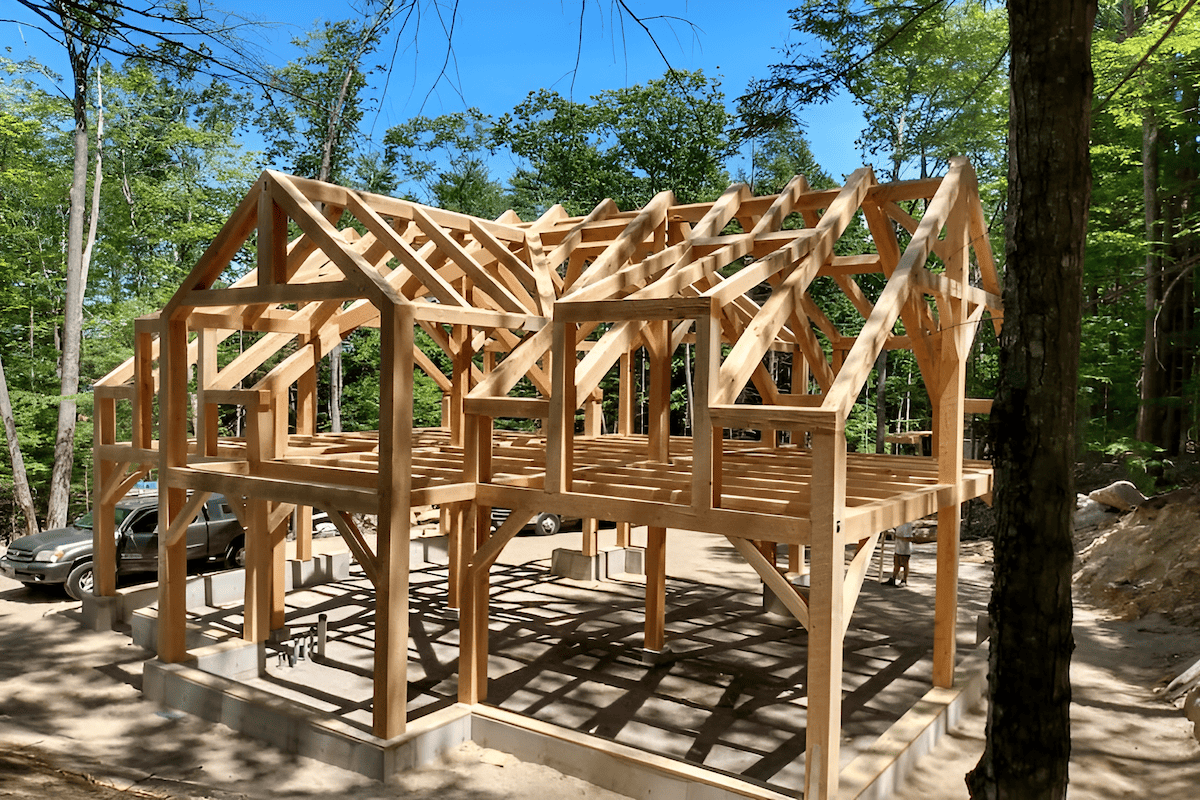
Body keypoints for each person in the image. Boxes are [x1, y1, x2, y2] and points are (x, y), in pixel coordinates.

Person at [884, 522, 914, 586]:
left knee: (904, 564)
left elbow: (908, 538)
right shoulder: (898, 524)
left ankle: (904, 580)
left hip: (905, 549)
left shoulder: (907, 525)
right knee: (896, 564)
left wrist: (897, 537)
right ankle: (893, 579)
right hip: (898, 547)